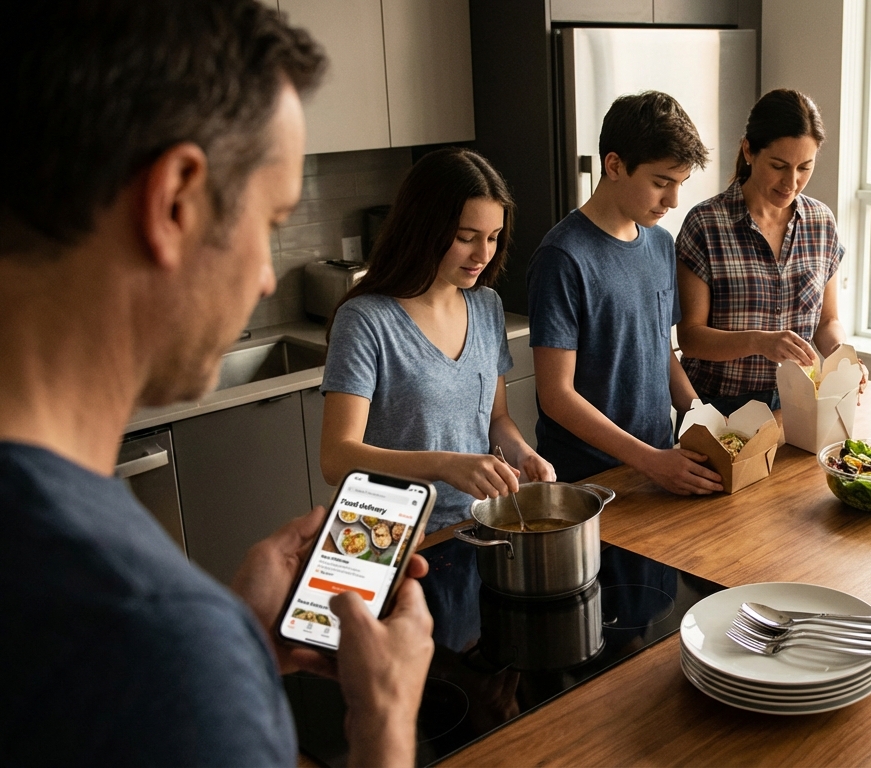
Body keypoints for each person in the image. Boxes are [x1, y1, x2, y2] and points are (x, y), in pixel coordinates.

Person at [0, 2, 433, 765]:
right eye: (272, 222)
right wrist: (386, 724)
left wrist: (234, 646)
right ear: (176, 202)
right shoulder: (154, 633)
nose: (269, 274)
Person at [320, 148, 554, 533]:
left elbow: (495, 418)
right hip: (387, 535)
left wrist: (524, 454)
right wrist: (445, 465)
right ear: (424, 227)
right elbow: (336, 458)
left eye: (493, 238)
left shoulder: (486, 306)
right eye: (466, 238)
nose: (483, 254)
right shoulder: (365, 321)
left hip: (473, 526)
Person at [529, 91, 724, 493]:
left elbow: (660, 348)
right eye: (661, 183)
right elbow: (556, 395)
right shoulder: (562, 257)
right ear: (614, 165)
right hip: (587, 483)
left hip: (659, 467)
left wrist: (704, 420)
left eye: (680, 184)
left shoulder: (660, 243)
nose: (673, 200)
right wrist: (650, 461)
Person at [676, 89, 863, 415]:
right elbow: (691, 339)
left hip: (799, 401)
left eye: (805, 167)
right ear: (749, 150)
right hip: (720, 409)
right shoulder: (706, 224)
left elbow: (827, 321)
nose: (791, 182)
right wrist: (759, 342)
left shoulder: (820, 222)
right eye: (779, 165)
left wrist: (844, 358)